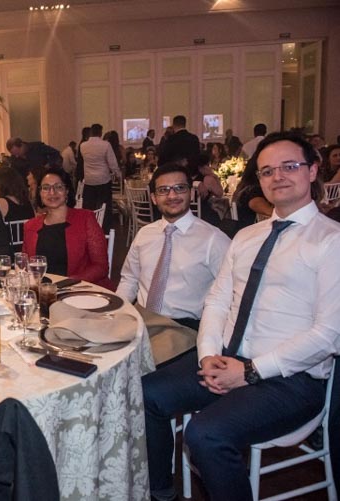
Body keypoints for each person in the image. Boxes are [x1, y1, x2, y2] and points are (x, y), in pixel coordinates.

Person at [142, 132, 340, 501]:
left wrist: (250, 371)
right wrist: (208, 356)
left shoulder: (331, 241)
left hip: (290, 379)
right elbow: (217, 302)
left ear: (313, 171)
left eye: (289, 166)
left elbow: (329, 335)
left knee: (205, 434)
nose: (277, 176)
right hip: (227, 358)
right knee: (146, 393)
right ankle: (161, 491)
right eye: (267, 171)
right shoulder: (246, 237)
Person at [116, 163, 230, 331]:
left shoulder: (213, 240)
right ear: (154, 198)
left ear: (191, 193)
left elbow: (230, 293)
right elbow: (129, 279)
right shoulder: (144, 234)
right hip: (140, 317)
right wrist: (117, 314)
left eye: (180, 188)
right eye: (163, 190)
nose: (172, 195)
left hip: (181, 327)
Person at [23, 167, 111, 288]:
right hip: (43, 291)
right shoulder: (30, 226)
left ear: (67, 191)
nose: (52, 192)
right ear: (40, 193)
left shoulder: (85, 219)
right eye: (46, 188)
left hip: (79, 290)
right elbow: (26, 267)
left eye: (58, 187)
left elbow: (101, 267)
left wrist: (66, 284)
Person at [78, 123, 121, 232]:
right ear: (100, 133)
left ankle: (89, 228)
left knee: (89, 207)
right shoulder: (105, 145)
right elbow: (112, 163)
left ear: (91, 132)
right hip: (103, 180)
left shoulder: (83, 146)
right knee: (105, 207)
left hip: (89, 180)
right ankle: (105, 229)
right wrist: (118, 174)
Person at [231, 157, 273, 231]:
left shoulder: (244, 186)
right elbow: (257, 205)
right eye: (267, 172)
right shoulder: (253, 190)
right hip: (252, 231)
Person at [193, 153, 226, 226]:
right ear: (203, 167)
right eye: (208, 165)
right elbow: (220, 193)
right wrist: (214, 176)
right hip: (205, 215)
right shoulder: (208, 179)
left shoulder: (190, 180)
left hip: (191, 214)